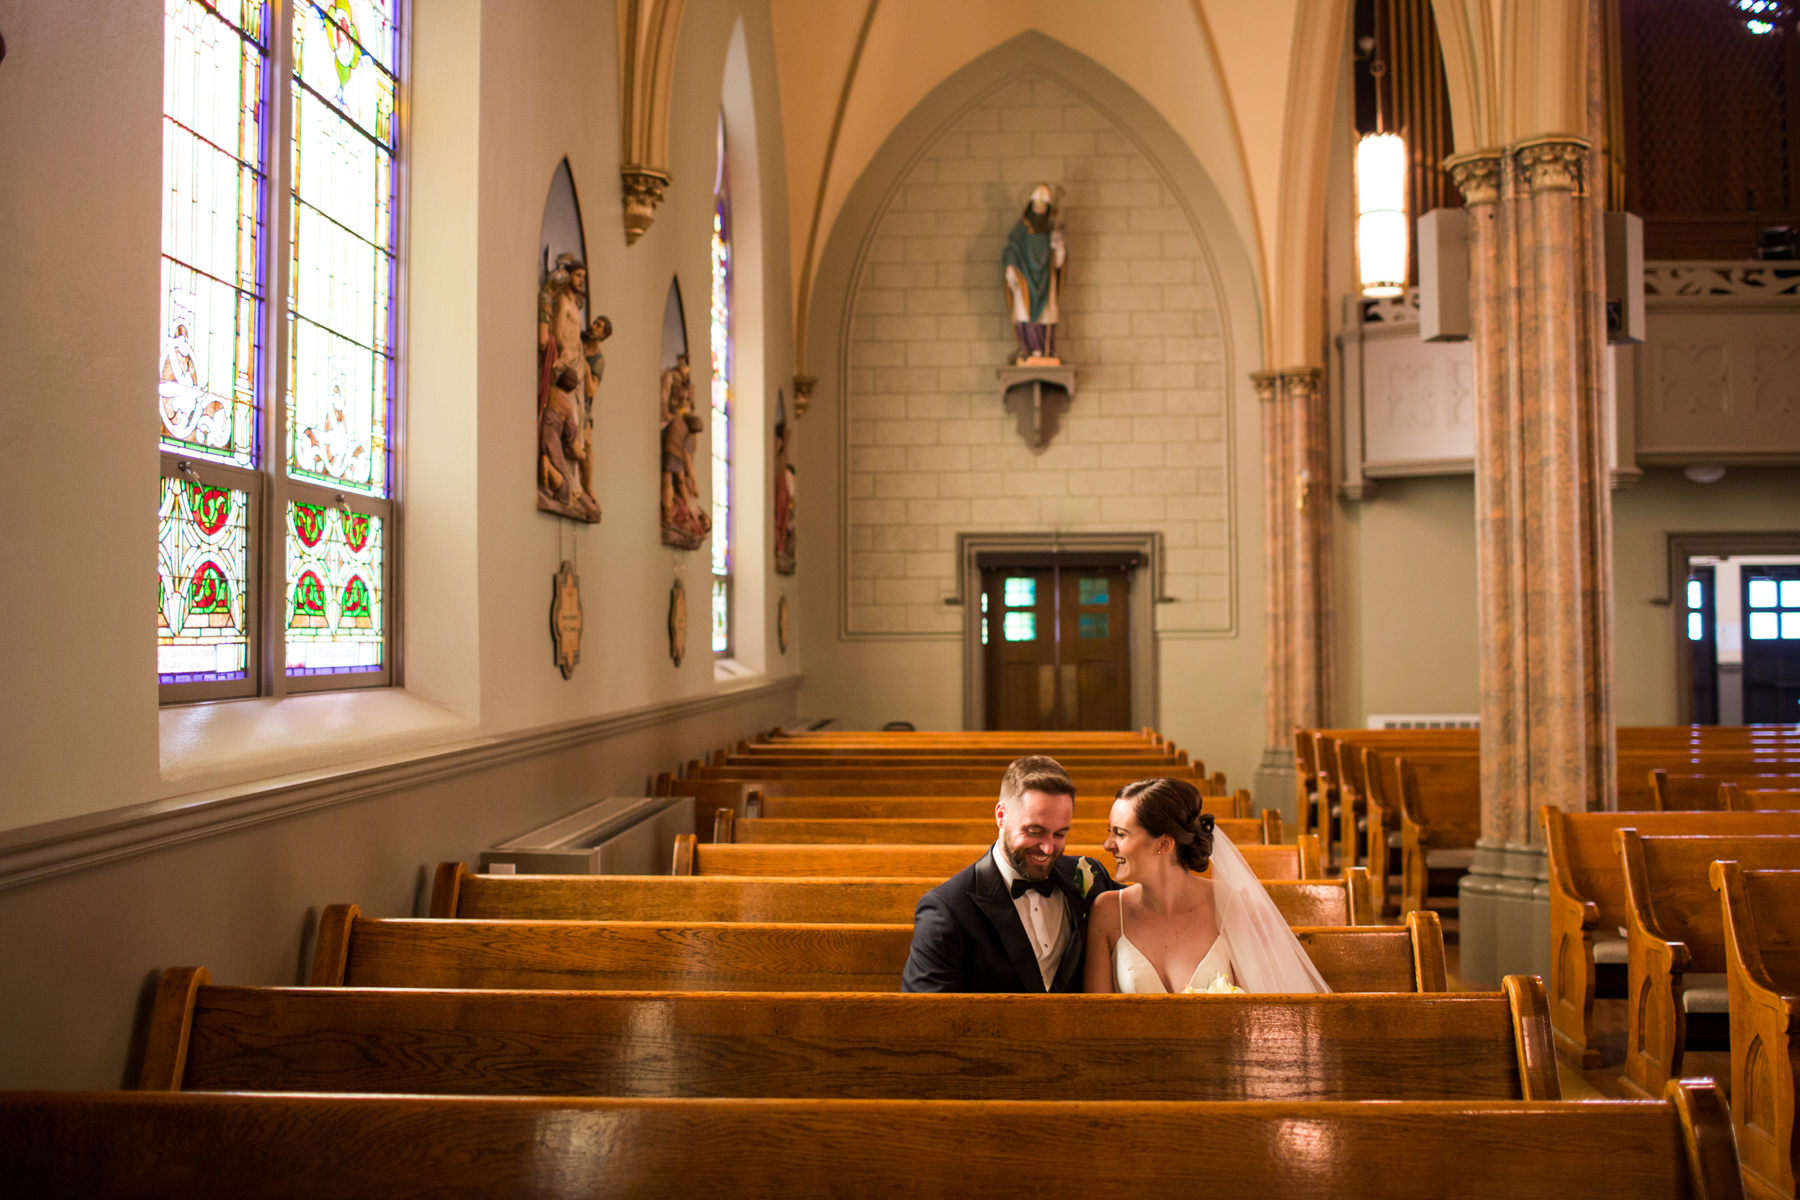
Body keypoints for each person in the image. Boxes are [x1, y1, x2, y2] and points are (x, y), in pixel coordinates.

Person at [1083, 776, 1330, 994]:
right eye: (1110, 831)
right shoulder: (1107, 911)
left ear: (1163, 844)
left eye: (1120, 833)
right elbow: (1097, 1021)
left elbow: (1263, 1016)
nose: (1108, 844)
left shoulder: (1231, 906)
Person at [902, 756, 1117, 992]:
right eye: (1035, 831)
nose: (1047, 848)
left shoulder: (1089, 877)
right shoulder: (947, 910)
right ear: (1001, 816)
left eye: (1059, 834)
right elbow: (926, 1019)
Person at [1001, 182, 1067, 364]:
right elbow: (1011, 250)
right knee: (1024, 310)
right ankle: (1028, 348)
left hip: (1045, 279)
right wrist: (1011, 268)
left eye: (1042, 207)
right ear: (1030, 207)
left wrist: (1058, 247)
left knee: (1047, 313)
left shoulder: (1049, 231)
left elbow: (1059, 261)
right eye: (1036, 207)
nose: (1039, 211)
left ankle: (1045, 350)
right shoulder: (1021, 230)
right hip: (1026, 277)